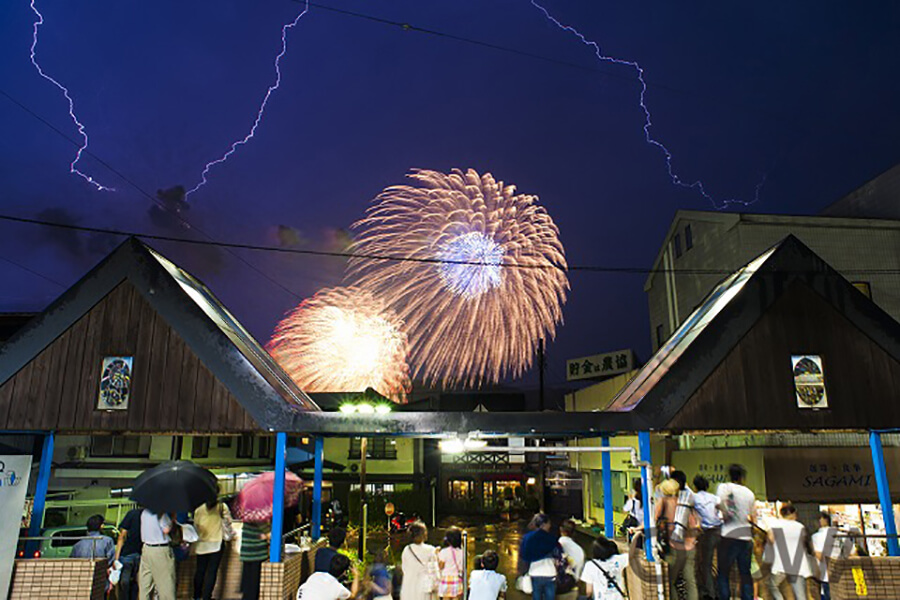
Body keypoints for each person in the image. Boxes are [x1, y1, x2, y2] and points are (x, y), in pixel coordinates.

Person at [716, 464, 757, 600]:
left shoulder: (724, 488)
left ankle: (724, 597)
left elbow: (719, 504)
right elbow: (753, 516)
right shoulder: (749, 493)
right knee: (745, 573)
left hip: (728, 535)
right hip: (746, 537)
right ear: (742, 477)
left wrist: (725, 513)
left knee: (723, 573)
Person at [655, 478, 699, 600]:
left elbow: (652, 521)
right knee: (690, 580)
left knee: (671, 581)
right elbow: (695, 524)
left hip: (673, 546)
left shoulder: (663, 502)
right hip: (690, 546)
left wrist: (637, 529)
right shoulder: (685, 503)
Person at [766, 502, 813, 600]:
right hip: (798, 563)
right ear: (792, 514)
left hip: (781, 563)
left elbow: (771, 539)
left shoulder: (775, 524)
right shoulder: (800, 526)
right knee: (800, 595)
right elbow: (804, 540)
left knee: (772, 585)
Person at [193, 498, 235, 600]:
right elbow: (229, 521)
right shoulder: (221, 507)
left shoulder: (198, 507)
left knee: (200, 571)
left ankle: (197, 596)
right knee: (212, 572)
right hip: (216, 543)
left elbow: (196, 525)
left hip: (201, 544)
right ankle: (207, 597)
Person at [693, 475, 723, 600]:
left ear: (695, 486)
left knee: (706, 564)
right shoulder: (715, 498)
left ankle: (711, 593)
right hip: (720, 531)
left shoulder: (694, 498)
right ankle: (721, 591)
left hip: (707, 533)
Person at [520, 513, 560, 600]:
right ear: (544, 524)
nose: (550, 525)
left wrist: (523, 571)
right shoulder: (551, 538)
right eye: (549, 523)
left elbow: (523, 556)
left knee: (536, 596)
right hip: (550, 572)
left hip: (534, 572)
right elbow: (558, 555)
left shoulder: (527, 538)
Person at [139, 509, 176, 600]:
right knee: (166, 587)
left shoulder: (144, 513)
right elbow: (166, 529)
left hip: (146, 549)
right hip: (160, 551)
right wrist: (172, 519)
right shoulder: (160, 513)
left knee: (145, 586)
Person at [811, 511, 847, 600]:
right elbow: (852, 553)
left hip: (826, 576)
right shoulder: (841, 534)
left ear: (822, 520)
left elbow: (819, 556)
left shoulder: (817, 536)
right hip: (843, 575)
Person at [580, 535, 628, 600]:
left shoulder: (590, 565)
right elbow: (631, 555)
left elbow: (589, 591)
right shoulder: (617, 559)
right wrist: (635, 537)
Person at [400, 521, 439, 600]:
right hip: (424, 590)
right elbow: (435, 572)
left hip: (408, 588)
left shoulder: (406, 550)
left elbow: (404, 568)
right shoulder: (431, 550)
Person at [115, 507, 143, 600]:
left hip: (127, 553)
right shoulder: (151, 515)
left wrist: (116, 558)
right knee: (139, 582)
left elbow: (121, 536)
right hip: (142, 553)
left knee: (124, 582)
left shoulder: (131, 514)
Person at [240, 520, 271, 600]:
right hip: (257, 552)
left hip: (247, 551)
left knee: (248, 585)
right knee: (253, 585)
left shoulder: (248, 512)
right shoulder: (258, 515)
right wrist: (268, 533)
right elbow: (268, 532)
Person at [557, 519, 584, 600]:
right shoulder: (579, 550)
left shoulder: (557, 545)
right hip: (572, 587)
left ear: (561, 530)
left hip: (558, 586)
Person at [438, 527, 465, 600]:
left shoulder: (444, 552)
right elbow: (462, 568)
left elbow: (441, 566)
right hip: (456, 579)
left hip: (446, 579)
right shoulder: (462, 552)